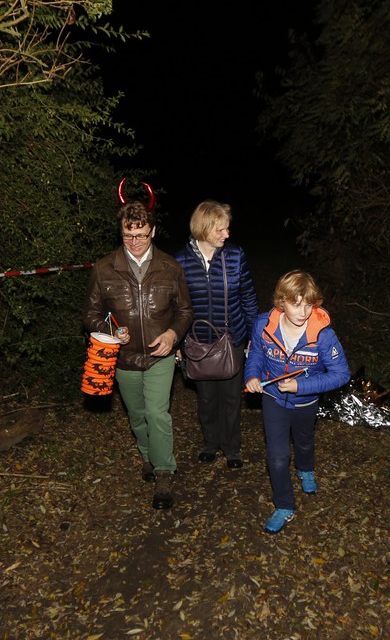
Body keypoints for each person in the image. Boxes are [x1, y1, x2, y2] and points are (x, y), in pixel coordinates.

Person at [83, 200, 193, 509]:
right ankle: (148, 456)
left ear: (153, 231)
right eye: (127, 235)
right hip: (124, 358)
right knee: (137, 414)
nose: (134, 242)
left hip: (160, 356)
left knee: (157, 413)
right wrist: (110, 329)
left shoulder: (170, 267)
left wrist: (172, 335)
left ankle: (163, 471)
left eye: (141, 235)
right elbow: (90, 314)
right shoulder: (104, 268)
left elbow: (185, 311)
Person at [244, 270, 350, 533]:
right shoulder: (264, 325)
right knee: (277, 456)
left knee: (304, 442)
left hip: (306, 403)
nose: (303, 312)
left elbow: (341, 374)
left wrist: (301, 386)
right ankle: (284, 505)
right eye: (295, 304)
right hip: (273, 398)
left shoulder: (323, 335)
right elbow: (255, 354)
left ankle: (306, 469)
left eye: (308, 304)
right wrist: (252, 375)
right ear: (282, 301)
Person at [174, 200, 260, 469]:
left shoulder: (235, 256)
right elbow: (176, 306)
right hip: (198, 342)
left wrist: (254, 335)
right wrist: (177, 341)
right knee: (207, 398)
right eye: (220, 229)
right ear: (203, 228)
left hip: (232, 338)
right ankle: (210, 443)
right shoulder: (180, 261)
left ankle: (232, 448)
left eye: (227, 228)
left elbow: (248, 296)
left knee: (232, 398)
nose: (227, 234)